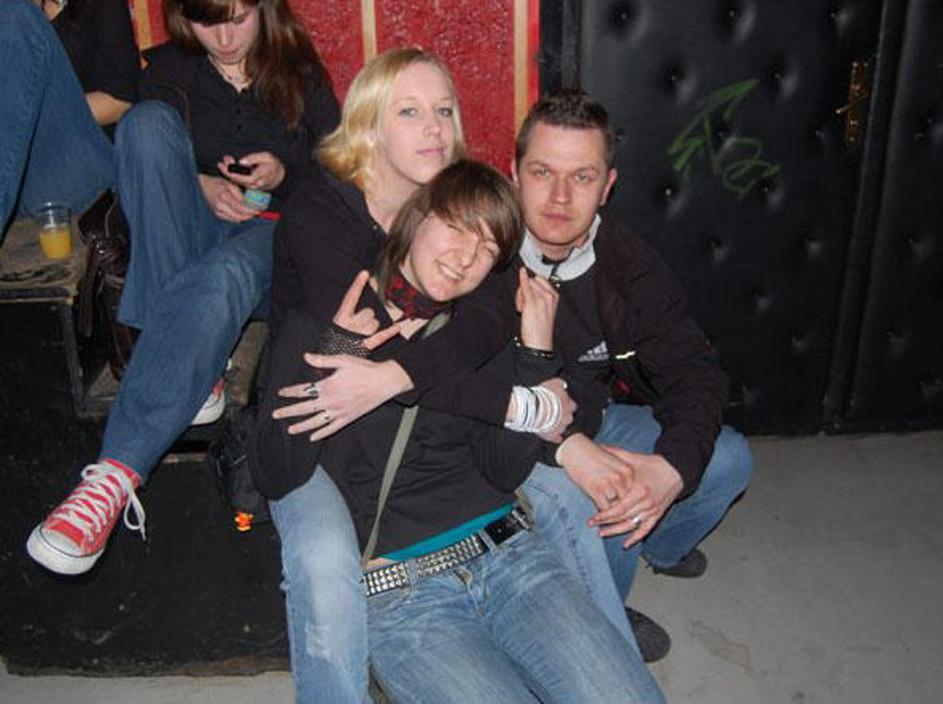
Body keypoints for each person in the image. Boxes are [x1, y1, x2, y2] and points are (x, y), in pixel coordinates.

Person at [257, 159, 664, 703]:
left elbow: (501, 469)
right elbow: (276, 472)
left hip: (514, 558)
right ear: (416, 217)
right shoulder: (331, 318)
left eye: (488, 248)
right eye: (457, 228)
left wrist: (534, 353)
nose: (467, 257)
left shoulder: (476, 329)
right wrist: (334, 351)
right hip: (406, 595)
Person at [26, 0, 340, 576]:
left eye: (237, 18)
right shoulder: (169, 71)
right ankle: (198, 365)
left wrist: (284, 173)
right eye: (206, 22)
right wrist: (199, 184)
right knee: (144, 126)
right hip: (189, 235)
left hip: (271, 239)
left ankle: (115, 474)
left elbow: (340, 179)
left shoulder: (299, 72)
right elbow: (148, 168)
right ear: (183, 20)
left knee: (222, 275)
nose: (224, 37)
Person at [250, 47, 525, 703]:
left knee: (565, 485)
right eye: (409, 112)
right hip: (319, 419)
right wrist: (504, 394)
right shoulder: (321, 213)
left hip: (415, 411)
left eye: (444, 111)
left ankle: (576, 637)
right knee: (325, 561)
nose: (434, 128)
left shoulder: (456, 203)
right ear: (368, 126)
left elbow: (493, 309)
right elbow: (377, 335)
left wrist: (402, 375)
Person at [510, 88, 754, 660]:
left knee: (727, 458)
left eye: (583, 177)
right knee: (601, 496)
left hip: (595, 421)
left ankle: (658, 545)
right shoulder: (478, 252)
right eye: (542, 172)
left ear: (608, 186)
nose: (560, 197)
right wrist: (571, 450)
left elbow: (695, 373)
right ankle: (605, 607)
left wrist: (669, 470)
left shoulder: (629, 262)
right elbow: (465, 394)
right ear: (514, 174)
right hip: (514, 441)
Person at [0, 0, 137, 236]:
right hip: (19, 176)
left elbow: (120, 101)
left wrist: (31, 110)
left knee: (17, 15)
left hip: (78, 164)